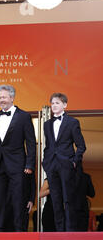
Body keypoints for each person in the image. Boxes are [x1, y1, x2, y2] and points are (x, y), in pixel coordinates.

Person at [0, 84, 36, 232]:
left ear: (12, 97)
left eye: (4, 97)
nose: (1, 100)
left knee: (18, 199)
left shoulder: (24, 116)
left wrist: (30, 164)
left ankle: (19, 230)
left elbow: (30, 142)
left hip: (18, 164)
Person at [42, 92, 86, 232]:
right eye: (52, 103)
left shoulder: (73, 122)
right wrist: (45, 162)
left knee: (68, 199)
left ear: (65, 105)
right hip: (51, 165)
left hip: (66, 165)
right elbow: (48, 145)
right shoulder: (47, 124)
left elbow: (81, 146)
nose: (54, 106)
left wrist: (74, 161)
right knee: (55, 200)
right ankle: (59, 232)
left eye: (57, 103)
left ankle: (70, 232)